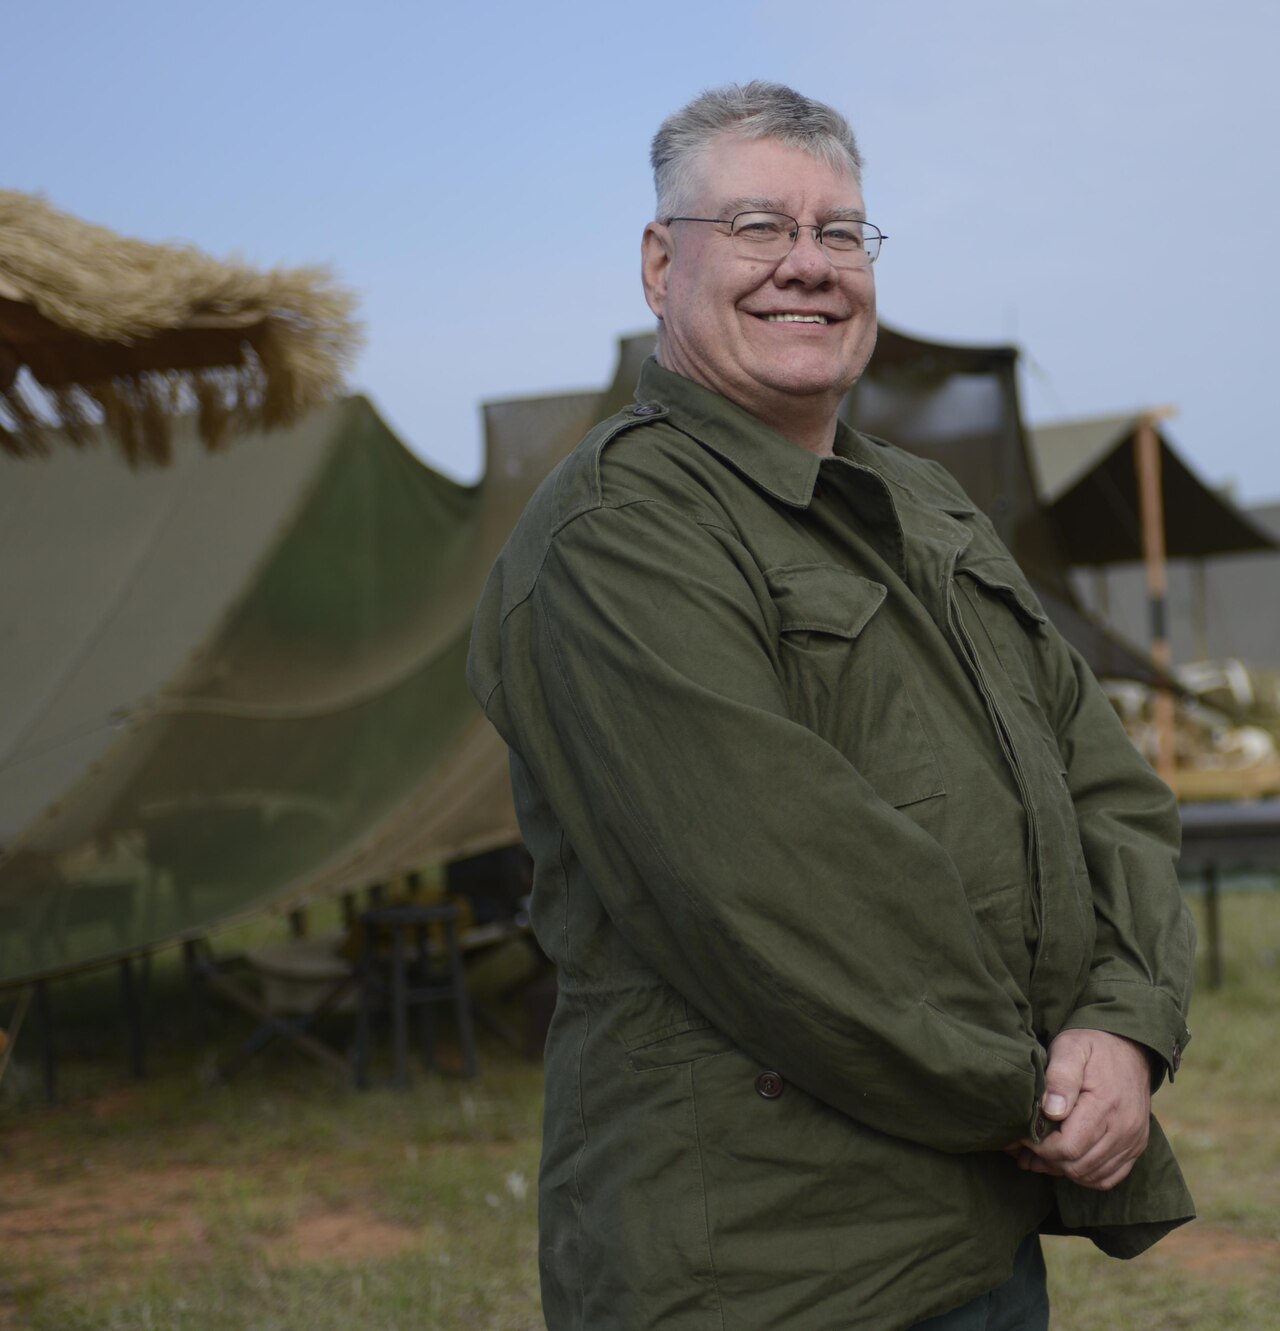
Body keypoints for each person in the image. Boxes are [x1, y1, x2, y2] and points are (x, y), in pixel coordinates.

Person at [467, 82, 1195, 1330]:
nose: (805, 266)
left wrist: (1123, 1028)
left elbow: (1104, 784)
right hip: (763, 1268)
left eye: (839, 232)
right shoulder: (620, 535)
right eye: (756, 226)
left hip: (969, 1238)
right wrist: (1047, 1095)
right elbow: (780, 896)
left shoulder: (927, 506)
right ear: (660, 263)